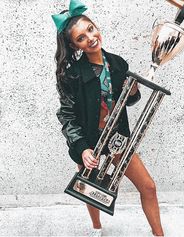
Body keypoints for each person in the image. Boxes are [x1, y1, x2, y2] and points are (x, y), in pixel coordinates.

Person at [52, 0, 164, 236]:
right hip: (89, 140)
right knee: (88, 189)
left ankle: (159, 234)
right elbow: (67, 115)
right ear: (74, 45)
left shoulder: (118, 63)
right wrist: (82, 149)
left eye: (90, 29)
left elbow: (129, 100)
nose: (90, 38)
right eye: (81, 38)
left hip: (118, 137)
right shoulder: (71, 74)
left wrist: (133, 92)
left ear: (96, 27)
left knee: (148, 187)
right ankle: (96, 228)